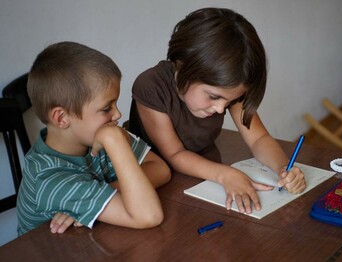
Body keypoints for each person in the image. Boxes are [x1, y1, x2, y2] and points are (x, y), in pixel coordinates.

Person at [129, 7, 306, 214]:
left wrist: (284, 168)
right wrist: (226, 175)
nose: (221, 108)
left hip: (206, 173)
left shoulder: (230, 86)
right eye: (213, 97)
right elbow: (175, 154)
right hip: (155, 182)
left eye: (230, 100)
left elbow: (259, 139)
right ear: (182, 67)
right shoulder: (151, 85)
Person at [16, 41, 171, 236]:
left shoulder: (95, 135)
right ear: (62, 118)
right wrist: (114, 139)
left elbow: (161, 169)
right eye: (106, 108)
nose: (117, 114)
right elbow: (149, 216)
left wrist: (100, 196)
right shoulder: (50, 179)